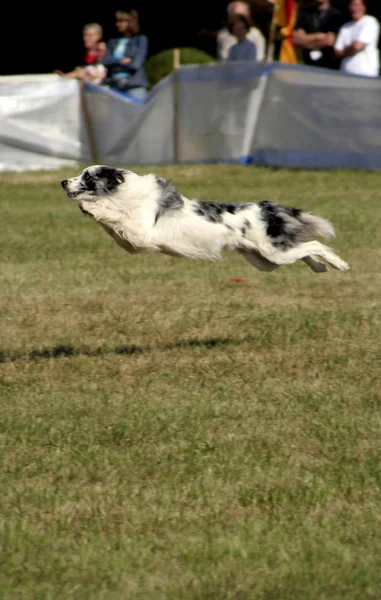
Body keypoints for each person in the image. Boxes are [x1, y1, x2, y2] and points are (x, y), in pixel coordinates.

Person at [102, 8, 149, 101]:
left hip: (133, 86)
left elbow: (135, 64)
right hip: (115, 86)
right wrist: (121, 61)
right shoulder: (112, 42)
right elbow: (105, 60)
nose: (117, 24)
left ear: (130, 22)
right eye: (117, 21)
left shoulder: (140, 40)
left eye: (121, 21)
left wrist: (115, 63)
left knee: (137, 114)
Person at [292, 0, 344, 70]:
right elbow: (296, 39)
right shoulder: (306, 13)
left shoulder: (337, 15)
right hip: (307, 65)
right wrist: (319, 37)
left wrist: (306, 39)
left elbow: (329, 41)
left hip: (329, 66)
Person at [334, 0, 380, 77]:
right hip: (345, 73)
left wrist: (345, 51)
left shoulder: (370, 22)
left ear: (364, 7)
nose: (355, 8)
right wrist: (351, 48)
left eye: (358, 5)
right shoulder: (345, 27)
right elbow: (337, 52)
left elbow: (357, 46)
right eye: (352, 5)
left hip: (365, 74)